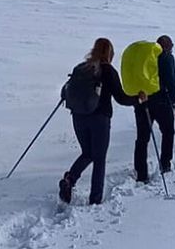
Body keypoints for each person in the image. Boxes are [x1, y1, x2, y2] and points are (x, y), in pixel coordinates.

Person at [59, 38, 144, 205]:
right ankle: (95, 199)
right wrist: (138, 99)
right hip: (100, 119)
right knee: (99, 158)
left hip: (78, 116)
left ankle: (69, 180)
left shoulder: (81, 68)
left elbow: (66, 91)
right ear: (110, 53)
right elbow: (121, 98)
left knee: (87, 153)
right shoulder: (108, 71)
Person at [134, 35, 175, 181]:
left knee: (142, 138)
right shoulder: (166, 58)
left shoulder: (145, 58)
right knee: (168, 132)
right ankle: (165, 164)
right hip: (161, 101)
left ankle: (141, 173)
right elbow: (171, 81)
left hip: (142, 100)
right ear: (167, 46)